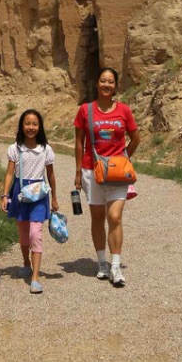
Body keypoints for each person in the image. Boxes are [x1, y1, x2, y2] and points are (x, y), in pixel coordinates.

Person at [73, 67, 140, 287]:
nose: (106, 85)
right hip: (91, 171)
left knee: (115, 217)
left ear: (115, 86)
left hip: (117, 174)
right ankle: (101, 262)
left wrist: (123, 159)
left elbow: (136, 138)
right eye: (103, 81)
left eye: (110, 82)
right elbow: (79, 143)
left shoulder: (124, 111)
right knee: (97, 218)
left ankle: (115, 265)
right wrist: (76, 172)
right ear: (97, 84)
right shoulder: (86, 110)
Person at [1, 109, 59, 294]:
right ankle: (26, 263)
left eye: (35, 124)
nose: (31, 127)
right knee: (24, 234)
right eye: (27, 123)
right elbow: (10, 173)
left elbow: (50, 174)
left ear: (40, 127)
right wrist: (5, 195)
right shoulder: (15, 149)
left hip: (39, 195)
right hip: (20, 194)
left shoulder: (46, 150)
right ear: (21, 126)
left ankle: (35, 277)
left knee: (36, 233)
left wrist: (55, 198)